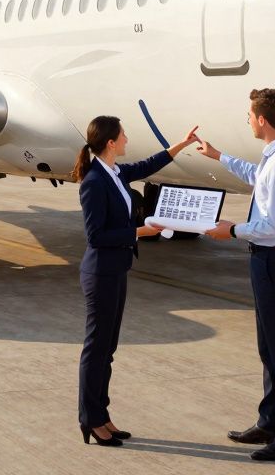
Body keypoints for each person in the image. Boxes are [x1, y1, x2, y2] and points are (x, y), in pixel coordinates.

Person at [196, 88, 275, 462]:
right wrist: (218, 156)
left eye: (249, 115)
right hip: (266, 260)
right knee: (268, 347)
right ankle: (270, 422)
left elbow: (274, 226)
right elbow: (255, 175)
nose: (247, 120)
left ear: (262, 119)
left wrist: (230, 230)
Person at [73, 116, 200, 447]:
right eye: (123, 135)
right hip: (100, 273)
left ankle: (102, 415)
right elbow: (96, 236)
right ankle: (90, 419)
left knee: (108, 349)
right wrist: (139, 232)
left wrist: (181, 145)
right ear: (111, 142)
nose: (127, 139)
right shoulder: (94, 182)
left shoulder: (115, 173)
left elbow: (147, 166)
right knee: (96, 349)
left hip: (116, 269)